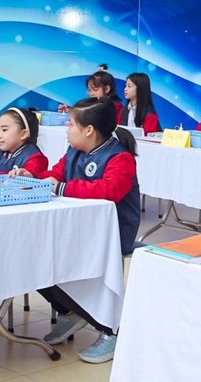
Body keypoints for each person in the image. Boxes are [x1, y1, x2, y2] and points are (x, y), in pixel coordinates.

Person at [19, 97, 141, 363]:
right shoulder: (73, 151)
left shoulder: (120, 158)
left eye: (71, 124)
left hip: (111, 235)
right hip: (76, 229)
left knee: (51, 255)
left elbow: (109, 190)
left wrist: (62, 188)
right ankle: (69, 310)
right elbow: (56, 174)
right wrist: (34, 178)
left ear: (89, 130)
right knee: (30, 255)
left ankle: (109, 330)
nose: (67, 128)